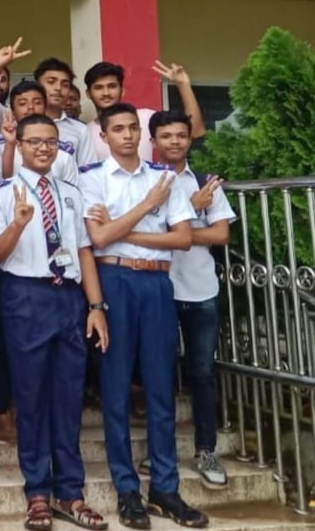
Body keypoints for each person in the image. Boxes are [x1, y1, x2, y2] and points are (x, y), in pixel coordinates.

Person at [79, 103, 208, 529]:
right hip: (114, 280)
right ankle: (127, 489)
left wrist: (123, 228)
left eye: (133, 127)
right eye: (118, 129)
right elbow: (97, 238)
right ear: (104, 135)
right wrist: (149, 207)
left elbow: (183, 238)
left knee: (160, 386)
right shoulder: (92, 178)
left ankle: (165, 489)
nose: (128, 135)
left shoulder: (162, 177)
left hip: (156, 282)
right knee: (116, 386)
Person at [0, 114, 109, 531]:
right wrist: (18, 223)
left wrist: (96, 306)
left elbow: (84, 250)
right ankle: (37, 492)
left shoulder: (71, 193)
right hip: (26, 296)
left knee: (69, 397)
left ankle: (70, 493)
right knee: (32, 396)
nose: (43, 148)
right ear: (19, 145)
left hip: (68, 298)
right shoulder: (4, 193)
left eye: (50, 142)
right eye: (34, 142)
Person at [136, 110, 234, 490]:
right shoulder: (145, 182)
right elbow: (137, 230)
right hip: (158, 288)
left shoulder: (207, 182)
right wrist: (192, 212)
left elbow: (221, 235)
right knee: (158, 372)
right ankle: (160, 451)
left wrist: (178, 230)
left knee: (203, 372)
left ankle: (206, 449)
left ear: (189, 139)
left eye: (181, 135)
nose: (174, 141)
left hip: (200, 287)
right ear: (154, 141)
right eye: (166, 136)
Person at [84, 61, 207, 162]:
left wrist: (183, 84)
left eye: (112, 86)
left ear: (122, 91)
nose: (106, 93)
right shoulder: (84, 132)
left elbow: (195, 131)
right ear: (88, 94)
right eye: (98, 88)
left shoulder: (145, 118)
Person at [0, 82, 80, 184]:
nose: (31, 107)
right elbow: (3, 183)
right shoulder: (0, 148)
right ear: (13, 111)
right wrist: (10, 144)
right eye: (23, 103)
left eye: (37, 102)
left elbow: (71, 191)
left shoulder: (61, 153)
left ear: (45, 107)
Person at [33, 58, 97, 166]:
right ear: (37, 85)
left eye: (65, 85)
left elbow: (88, 170)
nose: (58, 88)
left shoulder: (80, 129)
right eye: (51, 82)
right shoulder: (22, 124)